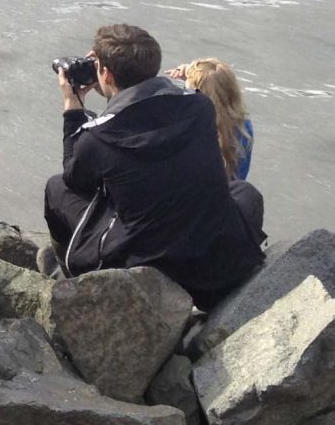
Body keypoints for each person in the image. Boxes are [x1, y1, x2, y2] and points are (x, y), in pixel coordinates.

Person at [44, 23, 264, 307]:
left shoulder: (95, 137)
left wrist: (73, 109)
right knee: (243, 192)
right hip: (217, 268)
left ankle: (70, 279)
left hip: (152, 272)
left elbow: (75, 179)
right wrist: (116, 89)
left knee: (56, 188)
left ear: (106, 73)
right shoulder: (201, 108)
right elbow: (152, 114)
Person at [168, 57, 254, 179]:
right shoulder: (244, 127)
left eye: (186, 90)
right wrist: (190, 73)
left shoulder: (188, 128)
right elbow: (214, 81)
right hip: (230, 193)